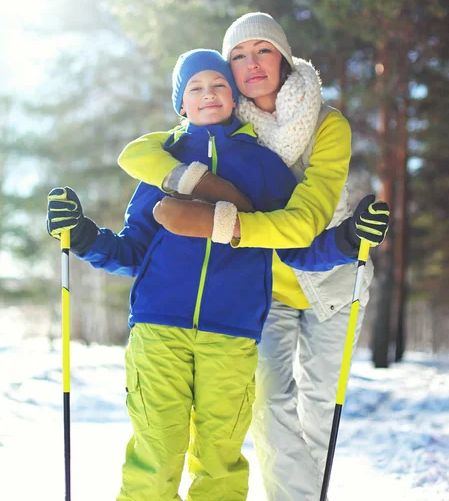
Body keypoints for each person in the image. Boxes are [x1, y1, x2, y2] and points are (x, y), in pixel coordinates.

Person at [47, 49, 388, 501]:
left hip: (231, 336)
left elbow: (294, 247)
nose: (208, 93)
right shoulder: (161, 169)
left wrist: (347, 242)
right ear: (180, 104)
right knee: (156, 453)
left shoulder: (263, 167)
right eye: (195, 87)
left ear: (234, 97)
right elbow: (133, 251)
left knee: (220, 460)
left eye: (218, 85)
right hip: (158, 328)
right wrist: (83, 234)